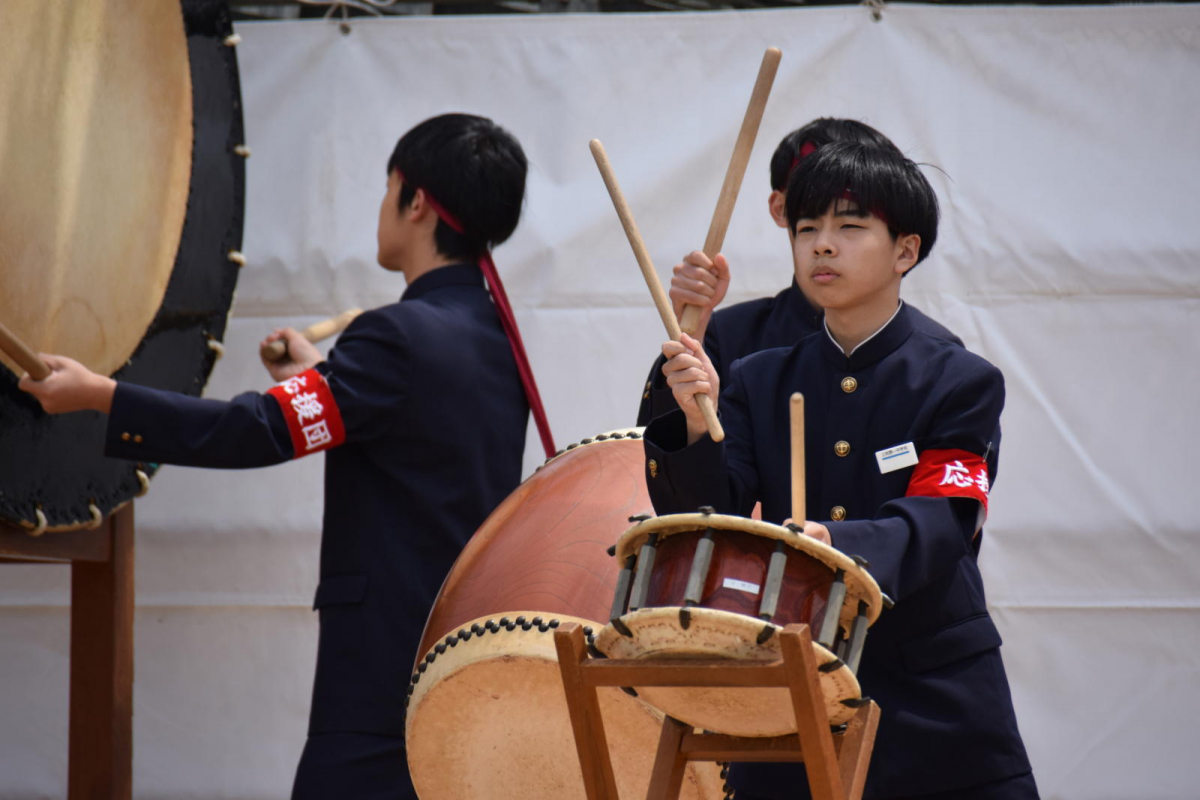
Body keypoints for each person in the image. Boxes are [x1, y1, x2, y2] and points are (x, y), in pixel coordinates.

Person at [20, 113, 545, 800]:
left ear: (415, 202)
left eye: (389, 189)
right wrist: (323, 376)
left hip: (381, 677)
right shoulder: (496, 340)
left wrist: (104, 395)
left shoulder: (397, 338)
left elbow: (259, 429)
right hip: (463, 656)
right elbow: (397, 424)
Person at [644, 142, 1037, 799]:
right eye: (807, 229)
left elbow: (945, 517)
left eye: (850, 228)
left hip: (929, 695)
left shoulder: (958, 380)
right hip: (792, 689)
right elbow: (710, 514)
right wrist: (690, 422)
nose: (823, 246)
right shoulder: (759, 377)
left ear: (905, 251)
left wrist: (840, 548)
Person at [635, 117, 962, 427]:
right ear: (783, 209)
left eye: (850, 219)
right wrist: (691, 337)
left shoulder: (939, 358)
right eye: (811, 214)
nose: (824, 243)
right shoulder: (732, 340)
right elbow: (659, 468)